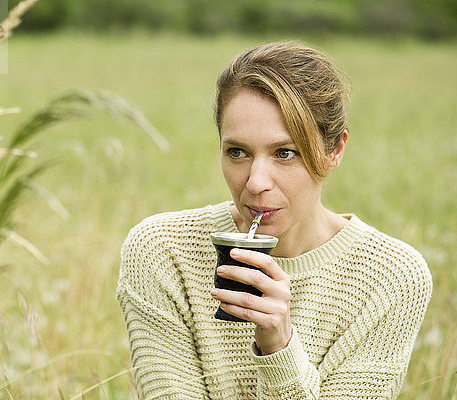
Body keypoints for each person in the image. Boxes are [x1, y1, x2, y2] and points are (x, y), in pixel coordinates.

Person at [116, 42, 432, 399]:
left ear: (335, 151)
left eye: (285, 153)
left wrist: (279, 346)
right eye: (237, 152)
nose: (255, 182)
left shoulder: (391, 275)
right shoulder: (162, 250)